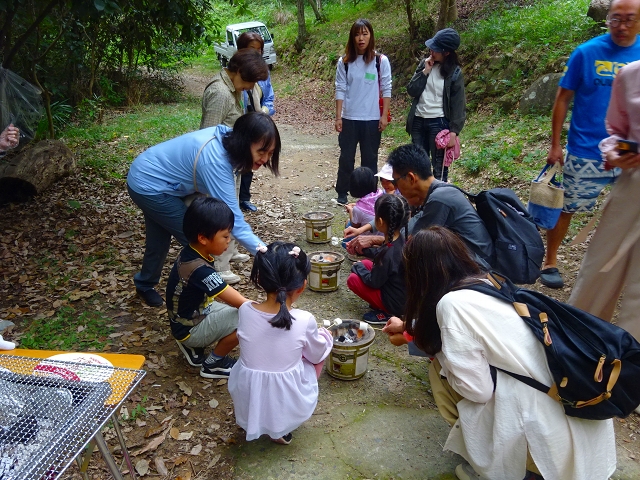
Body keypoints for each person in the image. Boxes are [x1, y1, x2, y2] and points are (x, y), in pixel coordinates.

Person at [382, 226, 616, 480]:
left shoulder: (450, 305)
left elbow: (477, 390)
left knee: (440, 373)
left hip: (549, 435)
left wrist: (440, 357)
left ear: (420, 275)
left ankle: (507, 466)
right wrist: (410, 328)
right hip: (580, 412)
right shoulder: (488, 281)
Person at [127, 112, 280, 307]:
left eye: (270, 153)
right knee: (200, 242)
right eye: (261, 152)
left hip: (159, 180)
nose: (265, 159)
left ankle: (145, 284)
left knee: (159, 237)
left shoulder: (227, 139)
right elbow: (234, 221)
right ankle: (205, 300)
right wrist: (268, 255)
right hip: (148, 184)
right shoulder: (215, 161)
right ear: (243, 142)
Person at [539, 0, 640, 289]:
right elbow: (562, 98)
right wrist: (556, 144)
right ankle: (551, 260)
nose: (622, 26)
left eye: (630, 19)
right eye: (616, 19)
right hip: (587, 148)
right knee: (567, 206)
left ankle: (625, 266)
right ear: (606, 19)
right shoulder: (587, 53)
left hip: (631, 150)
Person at [228, 242, 332, 445]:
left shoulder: (245, 310)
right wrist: (326, 337)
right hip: (287, 391)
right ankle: (281, 427)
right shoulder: (304, 319)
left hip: (247, 388)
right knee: (319, 352)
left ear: (259, 279)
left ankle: (256, 418)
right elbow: (316, 355)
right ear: (302, 285)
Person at [569, 58, 640, 343]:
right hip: (631, 185)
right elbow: (618, 134)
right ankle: (575, 344)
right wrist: (614, 151)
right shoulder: (631, 74)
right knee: (597, 269)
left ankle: (631, 369)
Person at [345, 144, 493, 268]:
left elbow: (413, 241)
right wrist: (362, 231)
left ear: (410, 178)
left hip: (477, 265)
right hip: (462, 258)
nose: (395, 187)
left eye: (396, 182)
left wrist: (373, 240)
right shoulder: (429, 195)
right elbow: (399, 220)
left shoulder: (440, 199)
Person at [200, 48, 270, 284]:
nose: (251, 87)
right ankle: (218, 266)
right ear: (238, 71)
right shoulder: (220, 93)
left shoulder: (235, 88)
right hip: (216, 164)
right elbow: (207, 134)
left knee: (232, 209)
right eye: (249, 81)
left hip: (231, 160)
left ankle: (228, 253)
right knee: (220, 213)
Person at [166, 198, 249, 378]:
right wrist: (267, 312)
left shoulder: (191, 253)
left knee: (232, 311)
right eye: (225, 236)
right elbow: (241, 303)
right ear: (203, 238)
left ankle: (191, 343)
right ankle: (213, 364)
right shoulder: (200, 270)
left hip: (185, 318)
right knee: (247, 319)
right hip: (189, 327)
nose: (229, 241)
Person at [334, 18, 391, 205]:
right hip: (349, 117)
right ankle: (342, 191)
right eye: (357, 34)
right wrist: (338, 116)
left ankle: (369, 194)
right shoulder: (344, 62)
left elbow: (387, 89)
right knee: (346, 158)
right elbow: (340, 88)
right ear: (352, 37)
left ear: (371, 36)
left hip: (372, 118)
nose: (361, 38)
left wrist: (384, 116)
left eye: (365, 34)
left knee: (370, 159)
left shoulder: (380, 61)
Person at [406, 28, 465, 182]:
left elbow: (458, 104)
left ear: (446, 53)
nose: (431, 51)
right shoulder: (424, 65)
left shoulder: (455, 73)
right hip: (418, 120)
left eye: (436, 49)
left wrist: (454, 132)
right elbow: (412, 90)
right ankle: (419, 202)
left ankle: (437, 201)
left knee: (439, 169)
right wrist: (425, 71)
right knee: (418, 166)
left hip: (439, 123)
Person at [347, 194, 409, 325]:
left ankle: (387, 313)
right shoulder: (401, 240)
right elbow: (381, 254)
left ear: (380, 221)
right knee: (365, 263)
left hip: (395, 304)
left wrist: (357, 267)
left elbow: (373, 282)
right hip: (403, 295)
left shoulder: (388, 254)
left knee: (353, 279)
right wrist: (361, 251)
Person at [237, 31, 277, 214]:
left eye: (259, 50)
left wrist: (264, 112)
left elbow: (269, 98)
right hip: (239, 124)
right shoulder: (236, 75)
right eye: (251, 49)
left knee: (250, 162)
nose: (255, 54)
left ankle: (244, 198)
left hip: (257, 122)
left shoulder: (264, 73)